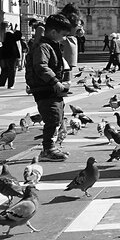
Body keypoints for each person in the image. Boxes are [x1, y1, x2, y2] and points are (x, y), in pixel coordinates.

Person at [25, 13, 74, 162]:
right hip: (44, 89)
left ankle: (53, 146)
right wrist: (55, 82)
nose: (65, 38)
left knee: (57, 116)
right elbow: (41, 66)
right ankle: (48, 149)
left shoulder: (50, 45)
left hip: (50, 89)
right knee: (52, 118)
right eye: (63, 35)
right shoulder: (44, 47)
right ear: (53, 32)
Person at [0, 23, 23, 89]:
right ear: (7, 27)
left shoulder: (2, 35)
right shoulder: (9, 34)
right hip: (12, 53)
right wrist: (15, 31)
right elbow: (17, 37)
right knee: (12, 70)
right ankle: (10, 84)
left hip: (4, 54)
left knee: (5, 69)